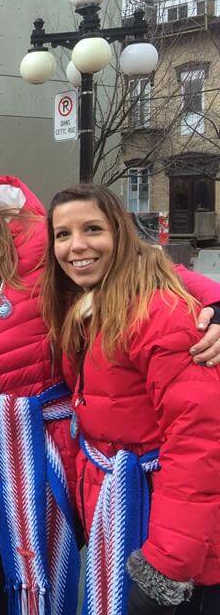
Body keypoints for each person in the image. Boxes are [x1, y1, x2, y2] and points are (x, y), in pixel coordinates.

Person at [0, 158, 220, 615]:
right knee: (12, 576)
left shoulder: (38, 241)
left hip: (55, 448)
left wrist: (216, 304)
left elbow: (137, 268)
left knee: (50, 576)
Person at [41, 183, 220, 615]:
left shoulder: (160, 313)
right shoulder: (87, 307)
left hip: (174, 541)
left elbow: (198, 442)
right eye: (62, 234)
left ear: (120, 233)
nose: (76, 246)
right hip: (125, 511)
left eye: (91, 229)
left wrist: (166, 566)